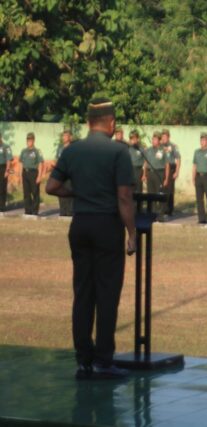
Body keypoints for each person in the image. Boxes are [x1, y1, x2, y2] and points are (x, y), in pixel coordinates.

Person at [45, 97, 136, 380]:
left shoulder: (73, 151)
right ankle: (104, 360)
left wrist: (76, 193)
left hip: (80, 224)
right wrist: (132, 233)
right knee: (107, 294)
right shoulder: (118, 152)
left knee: (83, 293)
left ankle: (83, 360)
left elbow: (52, 186)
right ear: (111, 123)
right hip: (107, 226)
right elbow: (123, 197)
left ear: (88, 124)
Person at [143, 131, 169, 215]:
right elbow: (145, 163)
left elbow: (167, 165)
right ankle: (151, 213)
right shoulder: (148, 150)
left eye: (155, 139)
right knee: (150, 194)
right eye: (153, 139)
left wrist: (166, 178)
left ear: (159, 140)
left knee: (159, 194)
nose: (153, 141)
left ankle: (161, 214)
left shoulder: (163, 151)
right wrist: (144, 175)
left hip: (159, 173)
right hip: (150, 173)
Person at [192, 132, 207, 224]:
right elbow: (194, 165)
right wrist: (193, 177)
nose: (203, 141)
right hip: (199, 176)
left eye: (205, 140)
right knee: (199, 199)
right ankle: (201, 218)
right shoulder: (196, 152)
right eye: (202, 140)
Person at [19, 132, 44, 215]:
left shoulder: (37, 151)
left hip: (34, 173)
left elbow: (40, 163)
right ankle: (28, 211)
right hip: (25, 173)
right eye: (28, 140)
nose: (29, 141)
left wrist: (39, 176)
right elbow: (21, 163)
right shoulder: (23, 151)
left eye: (31, 140)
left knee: (35, 192)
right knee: (26, 193)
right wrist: (20, 175)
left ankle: (35, 211)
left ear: (34, 140)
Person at [54, 129, 74, 216]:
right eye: (63, 136)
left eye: (66, 136)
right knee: (60, 192)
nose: (64, 137)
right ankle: (62, 211)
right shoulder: (60, 148)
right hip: (61, 174)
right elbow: (57, 160)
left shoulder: (73, 148)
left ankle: (70, 212)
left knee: (69, 192)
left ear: (70, 137)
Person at [160, 129, 180, 216]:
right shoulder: (160, 146)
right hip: (162, 169)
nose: (164, 138)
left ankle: (169, 210)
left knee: (170, 190)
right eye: (162, 136)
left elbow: (178, 158)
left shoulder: (173, 146)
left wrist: (177, 171)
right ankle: (162, 208)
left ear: (168, 137)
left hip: (171, 168)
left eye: (165, 136)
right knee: (162, 189)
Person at [0, 134, 14, 212]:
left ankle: (2, 207)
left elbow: (9, 159)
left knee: (2, 188)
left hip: (3, 168)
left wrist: (7, 170)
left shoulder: (6, 147)